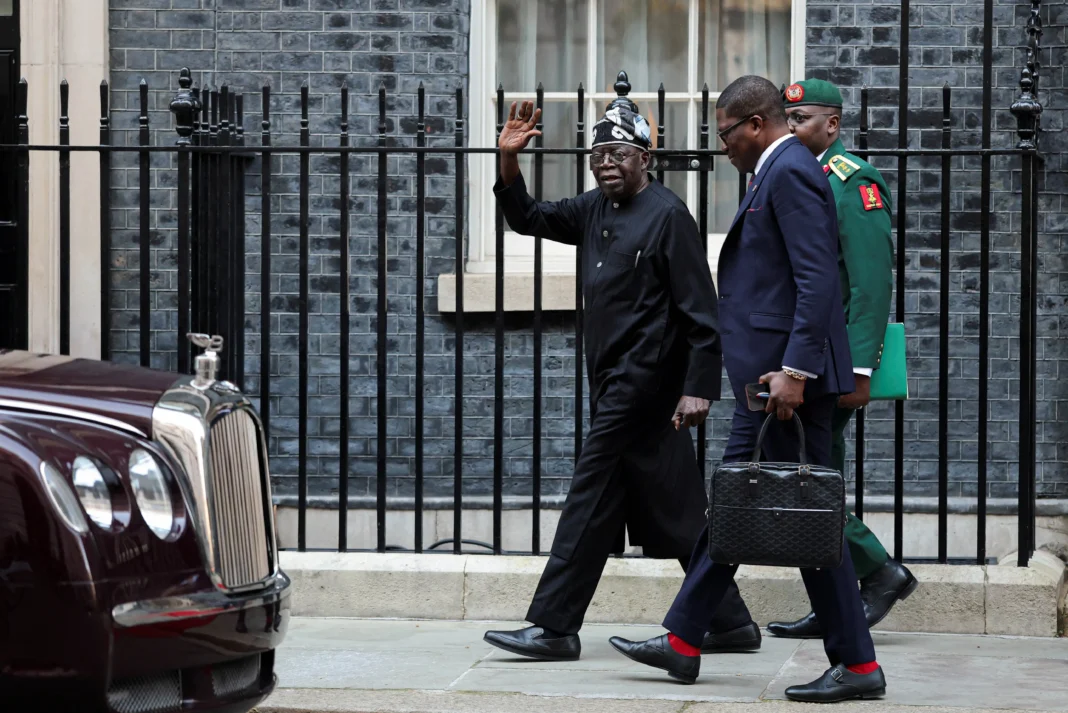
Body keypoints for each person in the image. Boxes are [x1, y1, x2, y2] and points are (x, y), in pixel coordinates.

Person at [607, 75, 887, 703]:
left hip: (784, 383)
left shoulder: (789, 171)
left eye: (726, 133)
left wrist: (797, 371)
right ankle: (684, 640)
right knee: (742, 506)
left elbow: (818, 280)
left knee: (801, 517)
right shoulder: (777, 170)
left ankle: (857, 664)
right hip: (768, 381)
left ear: (756, 124)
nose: (723, 146)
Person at [481, 92, 761, 662]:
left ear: (645, 159)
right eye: (599, 154)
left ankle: (554, 626)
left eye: (620, 154)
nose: (607, 162)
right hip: (612, 382)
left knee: (589, 496)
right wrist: (508, 160)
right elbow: (528, 217)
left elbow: (701, 312)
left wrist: (699, 387)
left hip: (645, 384)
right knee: (678, 510)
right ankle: (729, 621)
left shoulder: (668, 216)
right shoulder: (593, 209)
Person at [765, 78, 918, 639]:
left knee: (807, 478)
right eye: (786, 117)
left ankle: (878, 570)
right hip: (806, 358)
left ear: (831, 125)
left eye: (800, 118)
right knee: (811, 475)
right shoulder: (798, 176)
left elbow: (870, 284)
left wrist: (859, 368)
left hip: (833, 365)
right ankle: (842, 599)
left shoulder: (852, 182)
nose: (790, 127)